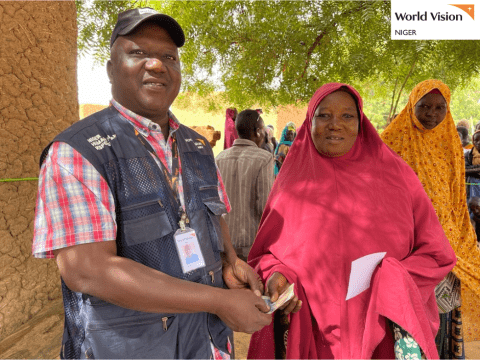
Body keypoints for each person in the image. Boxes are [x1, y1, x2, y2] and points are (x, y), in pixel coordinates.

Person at [31, 8, 271, 359]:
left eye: (168, 57)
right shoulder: (77, 153)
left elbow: (212, 223)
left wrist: (228, 265)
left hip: (205, 342)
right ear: (112, 68)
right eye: (139, 53)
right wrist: (218, 300)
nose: (157, 65)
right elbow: (89, 272)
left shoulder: (198, 147)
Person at [247, 82, 456, 359]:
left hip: (381, 332)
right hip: (311, 333)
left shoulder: (397, 177)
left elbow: (436, 254)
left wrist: (394, 278)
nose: (335, 125)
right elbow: (264, 255)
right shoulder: (290, 184)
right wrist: (278, 274)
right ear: (309, 121)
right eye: (324, 115)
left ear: (361, 123)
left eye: (347, 116)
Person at [381, 79, 480, 359]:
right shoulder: (390, 141)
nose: (432, 114)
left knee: (443, 316)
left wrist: (463, 240)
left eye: (440, 108)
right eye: (425, 106)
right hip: (405, 247)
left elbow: (457, 199)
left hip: (446, 245)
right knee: (408, 322)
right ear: (413, 105)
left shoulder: (451, 145)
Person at [216, 109, 274, 261]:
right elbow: (265, 206)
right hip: (250, 245)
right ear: (258, 132)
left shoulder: (220, 158)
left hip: (223, 243)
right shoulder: (264, 158)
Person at [465, 130, 480, 201]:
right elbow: (464, 169)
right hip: (473, 186)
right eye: (476, 140)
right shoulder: (468, 155)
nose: (479, 142)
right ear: (473, 142)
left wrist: (474, 170)